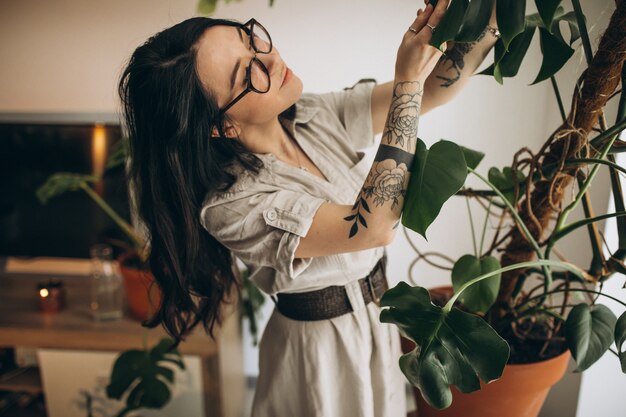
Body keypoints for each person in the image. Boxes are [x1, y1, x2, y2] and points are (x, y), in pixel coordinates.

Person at [117, 0, 500, 415]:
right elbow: (372, 226)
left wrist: (488, 14)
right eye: (248, 73)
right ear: (221, 125)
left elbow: (432, 89)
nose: (269, 56)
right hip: (319, 354)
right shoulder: (231, 206)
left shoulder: (312, 115)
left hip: (376, 323)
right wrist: (406, 81)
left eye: (251, 39)